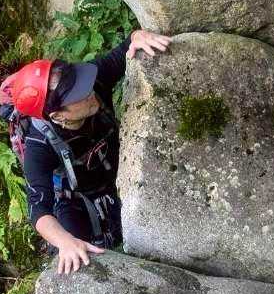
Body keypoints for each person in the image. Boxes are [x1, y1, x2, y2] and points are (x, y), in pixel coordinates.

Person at [9, 30, 170, 275]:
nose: (89, 92)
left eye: (82, 85)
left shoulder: (92, 84)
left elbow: (125, 48)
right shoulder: (39, 145)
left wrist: (138, 37)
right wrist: (65, 242)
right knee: (79, 264)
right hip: (76, 199)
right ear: (57, 115)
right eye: (78, 95)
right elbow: (38, 209)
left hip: (119, 175)